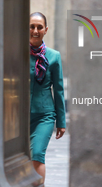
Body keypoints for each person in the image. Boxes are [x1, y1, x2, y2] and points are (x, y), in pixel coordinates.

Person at [29, 12, 66, 183]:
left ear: (46, 30)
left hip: (44, 115)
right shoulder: (15, 53)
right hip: (17, 117)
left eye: (39, 27)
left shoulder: (54, 56)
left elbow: (58, 90)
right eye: (31, 26)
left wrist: (61, 122)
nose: (35, 30)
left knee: (37, 154)